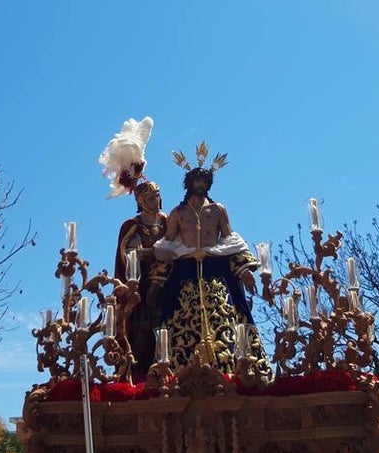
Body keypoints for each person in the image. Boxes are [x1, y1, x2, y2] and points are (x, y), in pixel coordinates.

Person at [152, 146, 270, 379]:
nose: (201, 184)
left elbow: (231, 240)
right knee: (179, 320)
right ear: (189, 183)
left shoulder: (218, 210)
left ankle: (237, 369)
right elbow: (167, 244)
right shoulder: (178, 213)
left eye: (204, 180)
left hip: (216, 269)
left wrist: (245, 269)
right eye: (197, 180)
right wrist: (157, 276)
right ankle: (175, 372)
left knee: (229, 315)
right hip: (185, 272)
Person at [112, 179, 171, 375]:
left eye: (158, 196)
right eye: (152, 198)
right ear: (142, 202)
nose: (157, 201)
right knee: (141, 330)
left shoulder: (167, 221)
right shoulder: (132, 225)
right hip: (140, 285)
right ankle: (138, 370)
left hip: (166, 283)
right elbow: (129, 254)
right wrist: (151, 253)